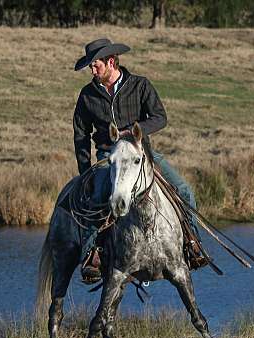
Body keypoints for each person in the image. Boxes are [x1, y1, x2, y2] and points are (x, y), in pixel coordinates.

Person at [73, 38, 206, 283]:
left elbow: (160, 117)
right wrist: (85, 172)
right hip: (107, 157)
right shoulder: (87, 95)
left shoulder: (140, 85)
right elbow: (80, 135)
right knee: (97, 197)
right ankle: (92, 254)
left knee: (184, 190)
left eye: (95, 66)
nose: (92, 71)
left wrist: (137, 129)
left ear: (111, 62)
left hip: (142, 154)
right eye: (91, 66)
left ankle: (192, 243)